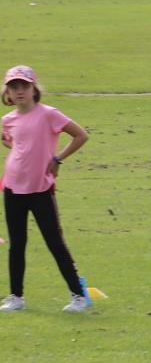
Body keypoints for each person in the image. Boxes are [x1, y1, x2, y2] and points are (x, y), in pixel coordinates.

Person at [1, 65, 92, 313]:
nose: (19, 91)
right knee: (17, 244)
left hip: (40, 189)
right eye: (13, 87)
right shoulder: (7, 121)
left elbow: (81, 135)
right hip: (12, 189)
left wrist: (57, 158)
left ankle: (78, 297)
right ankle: (16, 297)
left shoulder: (49, 114)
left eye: (24, 86)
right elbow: (16, 145)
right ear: (7, 92)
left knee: (55, 242)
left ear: (34, 89)